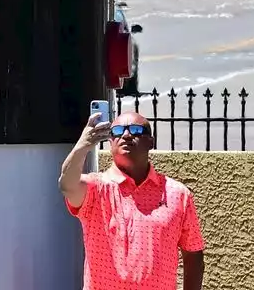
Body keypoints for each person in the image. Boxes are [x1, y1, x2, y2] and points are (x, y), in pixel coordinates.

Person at [60, 110, 205, 290]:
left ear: (150, 141)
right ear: (111, 142)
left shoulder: (177, 194)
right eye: (119, 131)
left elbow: (193, 254)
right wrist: (83, 145)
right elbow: (67, 185)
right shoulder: (95, 189)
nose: (127, 135)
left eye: (136, 130)